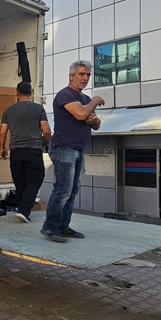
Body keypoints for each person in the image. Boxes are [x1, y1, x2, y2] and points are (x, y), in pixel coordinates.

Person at [41, 60, 104, 243]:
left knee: (72, 191)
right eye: (81, 74)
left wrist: (94, 120)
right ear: (71, 76)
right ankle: (50, 226)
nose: (85, 78)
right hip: (64, 148)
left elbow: (96, 124)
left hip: (78, 149)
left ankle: (63, 226)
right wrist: (96, 100)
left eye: (88, 75)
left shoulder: (85, 100)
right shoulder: (65, 94)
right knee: (63, 189)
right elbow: (81, 114)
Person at [0, 81, 51, 223]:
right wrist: (47, 143)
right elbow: (46, 131)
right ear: (31, 92)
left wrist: (2, 148)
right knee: (35, 179)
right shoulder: (38, 109)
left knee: (20, 181)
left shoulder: (8, 111)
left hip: (15, 151)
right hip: (33, 150)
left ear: (17, 93)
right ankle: (24, 210)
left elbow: (2, 132)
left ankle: (22, 209)